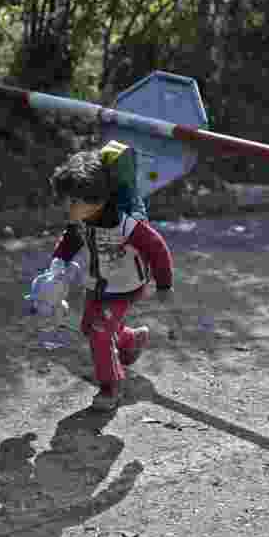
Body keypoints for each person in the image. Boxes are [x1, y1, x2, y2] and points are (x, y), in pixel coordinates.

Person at [47, 148, 174, 410]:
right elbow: (71, 240)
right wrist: (59, 262)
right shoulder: (82, 219)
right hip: (97, 283)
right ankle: (130, 339)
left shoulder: (124, 223)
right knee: (88, 326)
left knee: (99, 332)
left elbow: (157, 247)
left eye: (73, 202)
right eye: (66, 201)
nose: (67, 208)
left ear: (97, 200)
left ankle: (111, 387)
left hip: (125, 286)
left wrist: (164, 285)